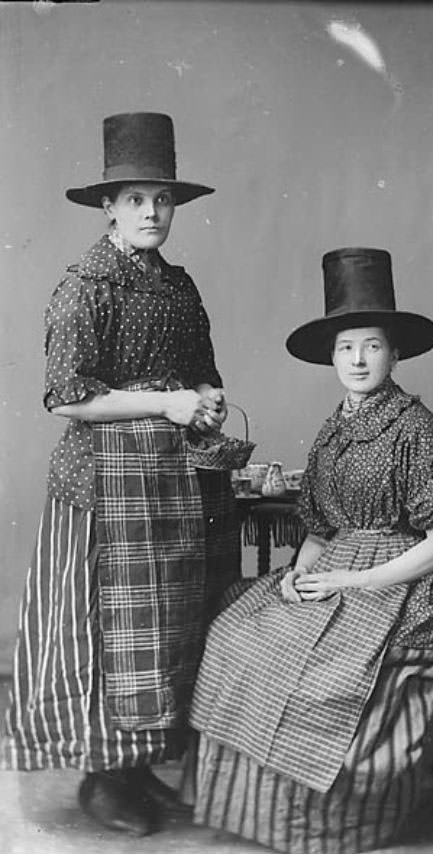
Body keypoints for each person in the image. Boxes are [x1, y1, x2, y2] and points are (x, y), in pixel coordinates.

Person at [0, 112, 241, 837]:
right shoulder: (86, 286)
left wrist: (204, 403)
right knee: (107, 632)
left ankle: (137, 770)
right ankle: (101, 780)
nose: (151, 213)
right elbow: (67, 397)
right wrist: (168, 402)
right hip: (102, 488)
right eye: (135, 199)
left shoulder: (177, 288)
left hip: (169, 484)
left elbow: (201, 375)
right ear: (108, 206)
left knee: (162, 632)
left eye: (161, 200)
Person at [188, 247, 433, 853]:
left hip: (402, 584)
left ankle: (323, 827)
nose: (359, 359)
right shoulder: (335, 427)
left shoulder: (415, 428)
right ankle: (255, 813)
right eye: (347, 347)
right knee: (239, 632)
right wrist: (297, 575)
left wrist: (353, 584)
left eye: (372, 345)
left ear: (395, 354)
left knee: (312, 670)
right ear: (332, 358)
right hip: (338, 567)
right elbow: (318, 531)